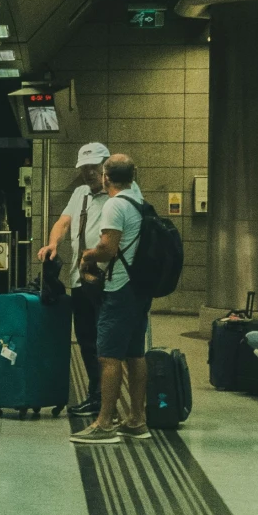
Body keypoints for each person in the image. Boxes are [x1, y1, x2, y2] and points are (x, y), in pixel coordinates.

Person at [73, 153, 150, 443]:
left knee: (108, 356)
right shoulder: (139, 202)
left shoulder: (115, 204)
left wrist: (86, 256)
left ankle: (105, 424)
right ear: (133, 174)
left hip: (120, 289)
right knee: (135, 354)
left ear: (106, 176)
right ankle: (137, 420)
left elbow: (108, 249)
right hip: (140, 287)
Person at [41, 141, 112, 417]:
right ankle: (96, 393)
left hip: (107, 281)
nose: (89, 173)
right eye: (85, 168)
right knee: (86, 338)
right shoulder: (80, 193)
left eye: (94, 167)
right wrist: (53, 244)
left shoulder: (117, 196)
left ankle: (105, 397)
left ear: (105, 167)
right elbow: (63, 222)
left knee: (105, 341)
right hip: (80, 280)